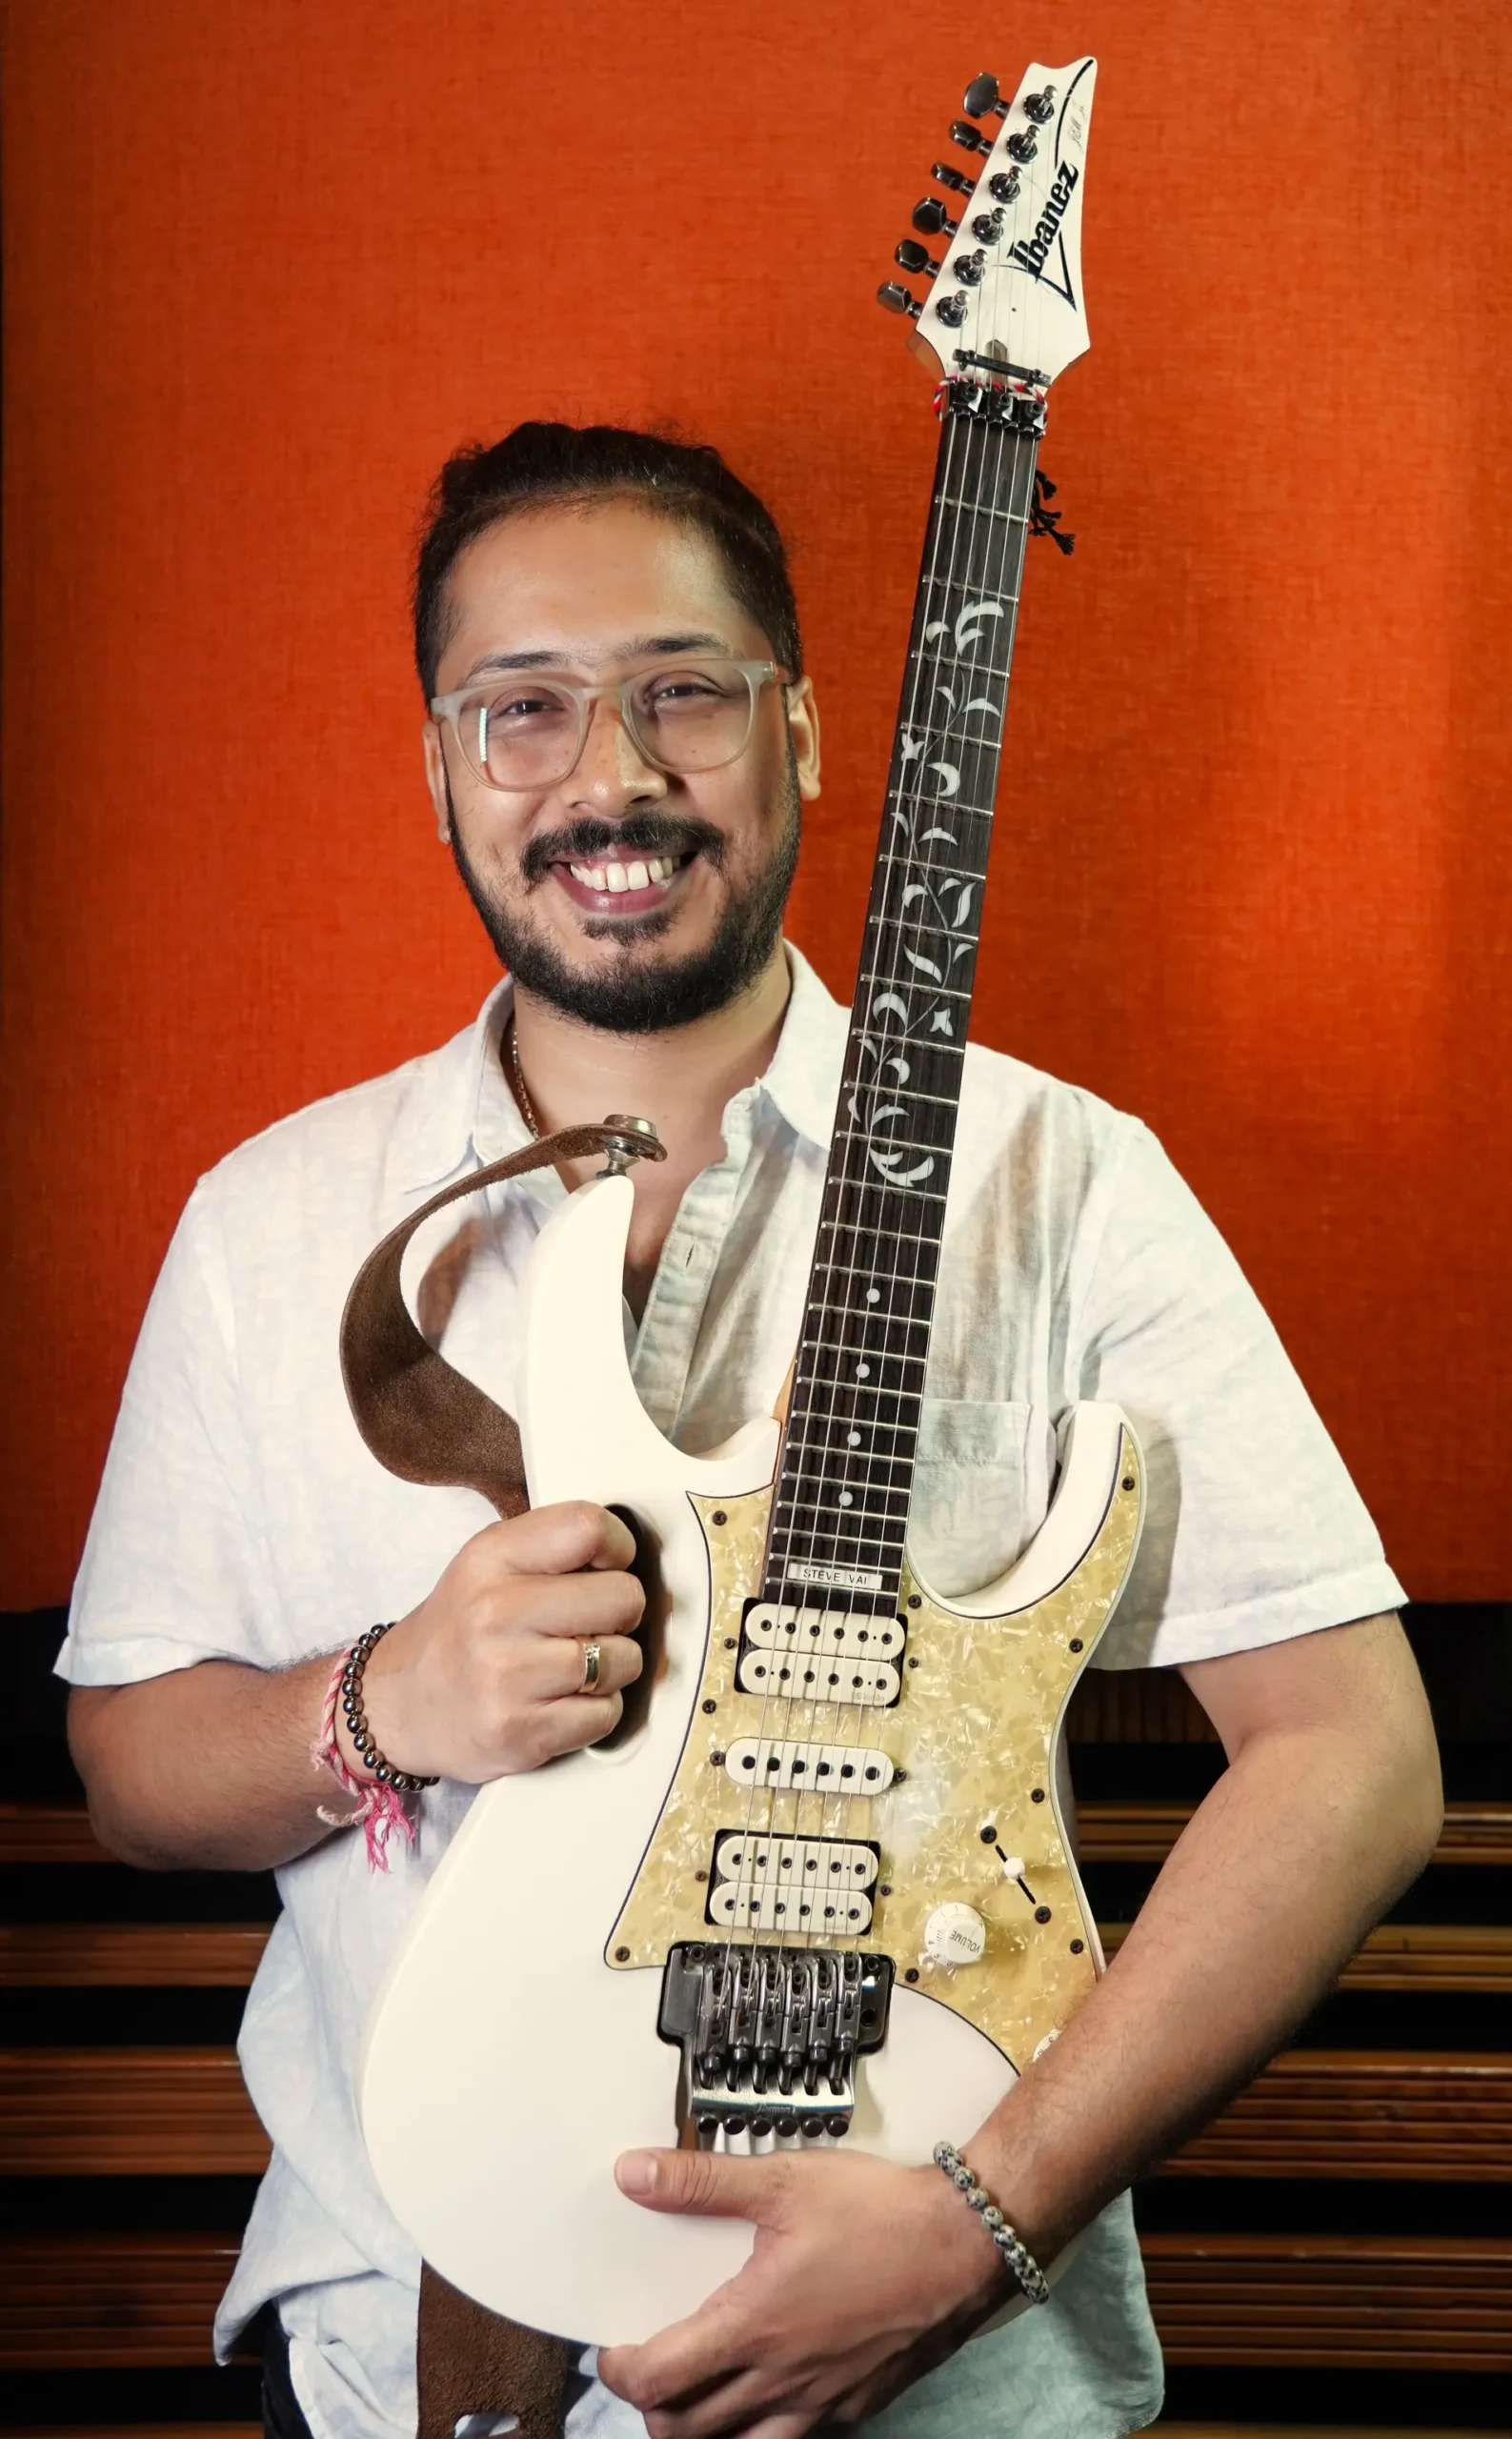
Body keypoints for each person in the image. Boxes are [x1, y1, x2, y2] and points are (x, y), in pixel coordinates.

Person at [62, 422, 1442, 2439]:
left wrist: (979, 2224)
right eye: (523, 705)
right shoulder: (274, 1225)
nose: (609, 775)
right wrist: (382, 1702)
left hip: (950, 2374)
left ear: (795, 730)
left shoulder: (1059, 1180)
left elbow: (1353, 1754)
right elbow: (130, 1764)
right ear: (439, 763)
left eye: (681, 690)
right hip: (388, 2368)